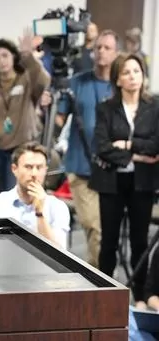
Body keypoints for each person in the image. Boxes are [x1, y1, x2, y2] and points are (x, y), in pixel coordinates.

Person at [90, 53, 159, 304]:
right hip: (111, 181)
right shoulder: (106, 108)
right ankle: (105, 295)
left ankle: (140, 295)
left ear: (143, 75)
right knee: (108, 241)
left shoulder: (155, 106)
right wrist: (137, 157)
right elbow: (102, 146)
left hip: (143, 184)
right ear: (118, 79)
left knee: (139, 241)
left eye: (137, 71)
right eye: (127, 72)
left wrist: (128, 144)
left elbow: (155, 144)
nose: (132, 77)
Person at [56, 29, 120, 268]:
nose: (101, 52)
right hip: (80, 166)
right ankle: (100, 281)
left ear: (116, 53)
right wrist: (48, 106)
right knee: (94, 226)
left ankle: (98, 277)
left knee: (106, 230)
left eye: (107, 48)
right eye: (98, 48)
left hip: (112, 168)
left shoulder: (120, 85)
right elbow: (59, 119)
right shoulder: (77, 82)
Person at [0, 29, 50, 199]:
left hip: (20, 147)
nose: (1, 61)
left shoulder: (25, 78)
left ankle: (17, 226)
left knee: (18, 194)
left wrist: (28, 55)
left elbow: (43, 80)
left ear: (13, 56)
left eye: (5, 55)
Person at [0, 142, 70, 248]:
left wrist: (40, 214)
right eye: (28, 167)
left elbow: (59, 255)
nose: (34, 174)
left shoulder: (58, 207)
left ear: (45, 170)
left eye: (39, 167)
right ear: (14, 169)